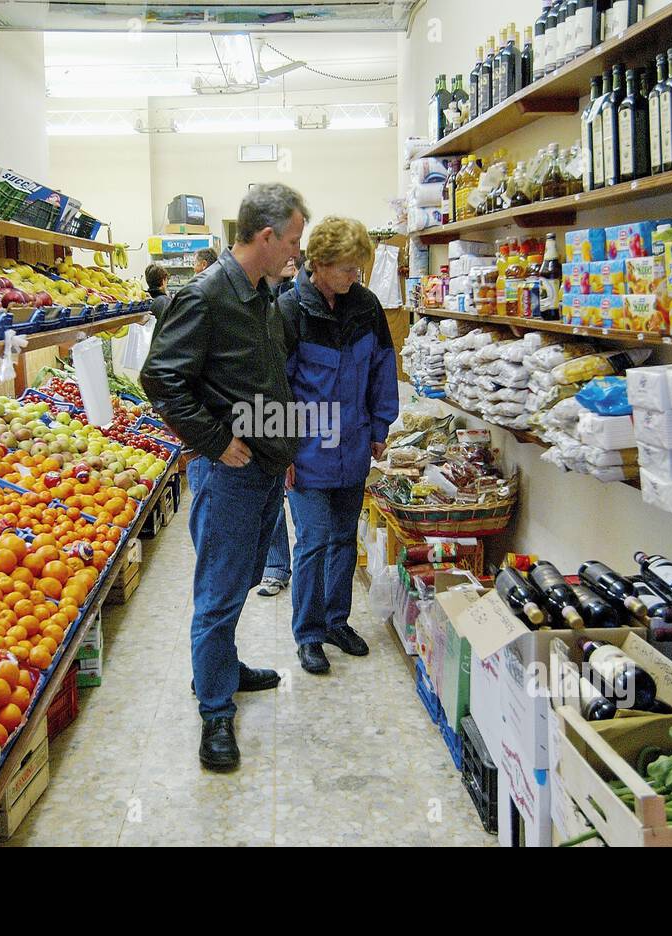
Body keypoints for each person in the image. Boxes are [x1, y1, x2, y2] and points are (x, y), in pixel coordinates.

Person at [141, 183, 309, 772]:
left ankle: (225, 669)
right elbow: (160, 379)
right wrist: (214, 441)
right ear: (264, 237)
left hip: (263, 465)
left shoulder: (265, 293)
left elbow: (264, 379)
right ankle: (214, 708)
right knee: (217, 592)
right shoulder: (206, 297)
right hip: (230, 471)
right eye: (291, 240)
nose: (296, 250)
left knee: (237, 583)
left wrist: (282, 442)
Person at [277, 217, 399, 675]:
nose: (356, 277)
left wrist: (380, 428)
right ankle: (308, 635)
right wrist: (282, 449)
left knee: (344, 540)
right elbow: (277, 387)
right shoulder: (290, 312)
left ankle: (336, 621)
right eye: (348, 268)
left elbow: (382, 369)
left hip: (353, 448)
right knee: (312, 541)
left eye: (359, 269)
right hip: (307, 451)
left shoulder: (366, 306)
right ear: (320, 264)